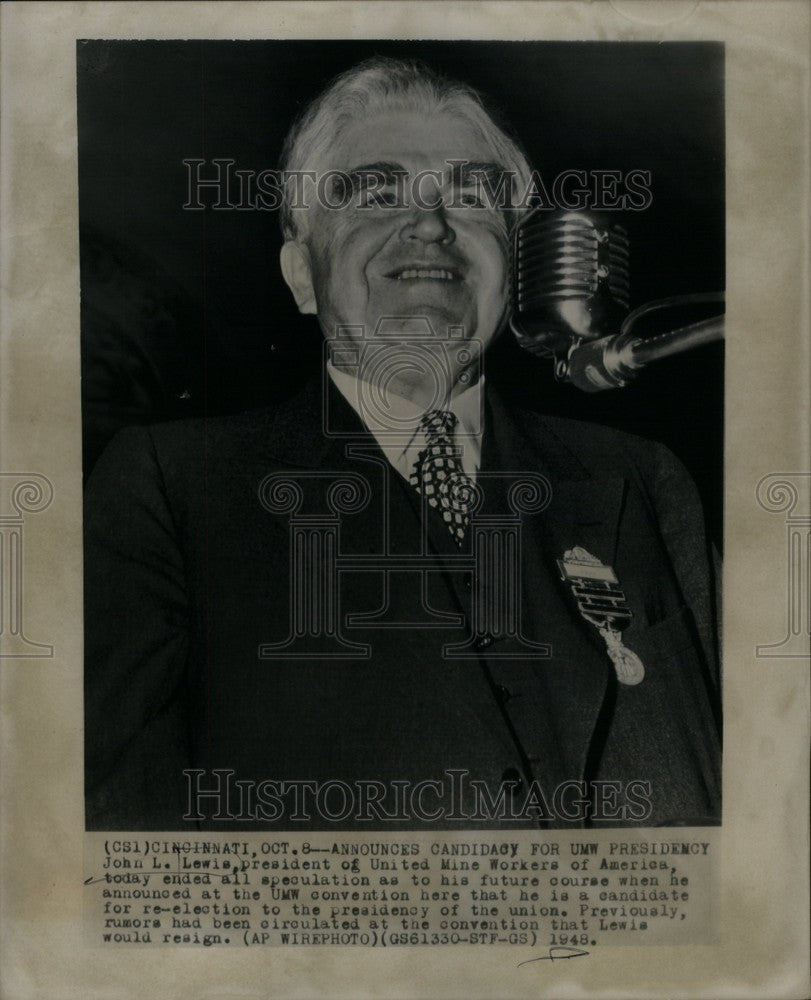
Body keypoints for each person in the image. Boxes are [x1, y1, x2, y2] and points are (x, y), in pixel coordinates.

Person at [84, 57, 721, 831]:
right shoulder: (169, 487)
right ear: (300, 274)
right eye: (375, 192)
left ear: (518, 266)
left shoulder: (643, 483)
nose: (429, 223)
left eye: (472, 194)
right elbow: (120, 852)